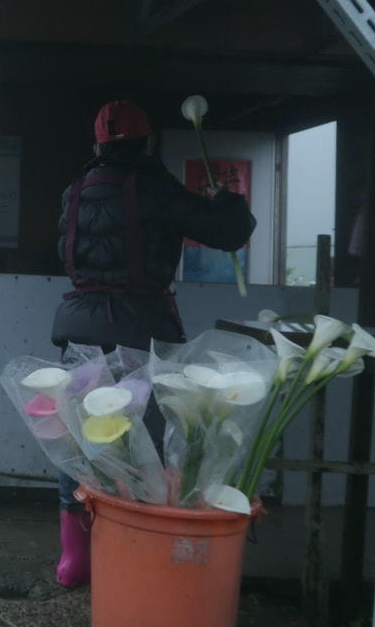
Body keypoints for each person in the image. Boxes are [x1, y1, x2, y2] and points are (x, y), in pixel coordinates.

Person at [49, 100, 256, 587]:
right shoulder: (155, 185)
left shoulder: (75, 190)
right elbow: (228, 233)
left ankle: (74, 557)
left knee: (81, 437)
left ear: (98, 143)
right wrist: (227, 202)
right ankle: (132, 551)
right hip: (139, 329)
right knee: (148, 440)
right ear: (148, 142)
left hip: (80, 328)